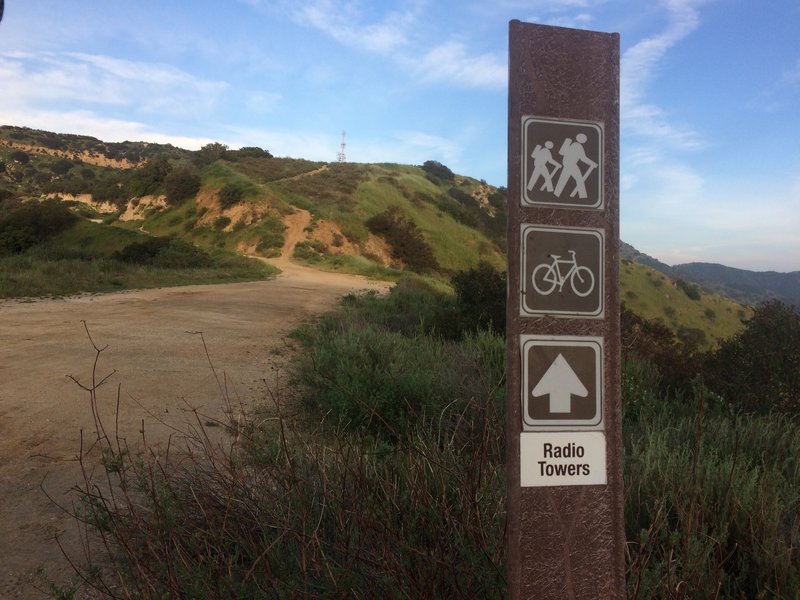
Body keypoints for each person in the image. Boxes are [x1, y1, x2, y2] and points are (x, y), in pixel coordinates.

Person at [554, 133, 597, 199]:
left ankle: (556, 194)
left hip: (567, 164)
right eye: (584, 139)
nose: (585, 140)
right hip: (571, 165)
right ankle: (583, 197)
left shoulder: (572, 144)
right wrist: (592, 163)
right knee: (579, 179)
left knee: (563, 179)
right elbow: (583, 158)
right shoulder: (578, 146)